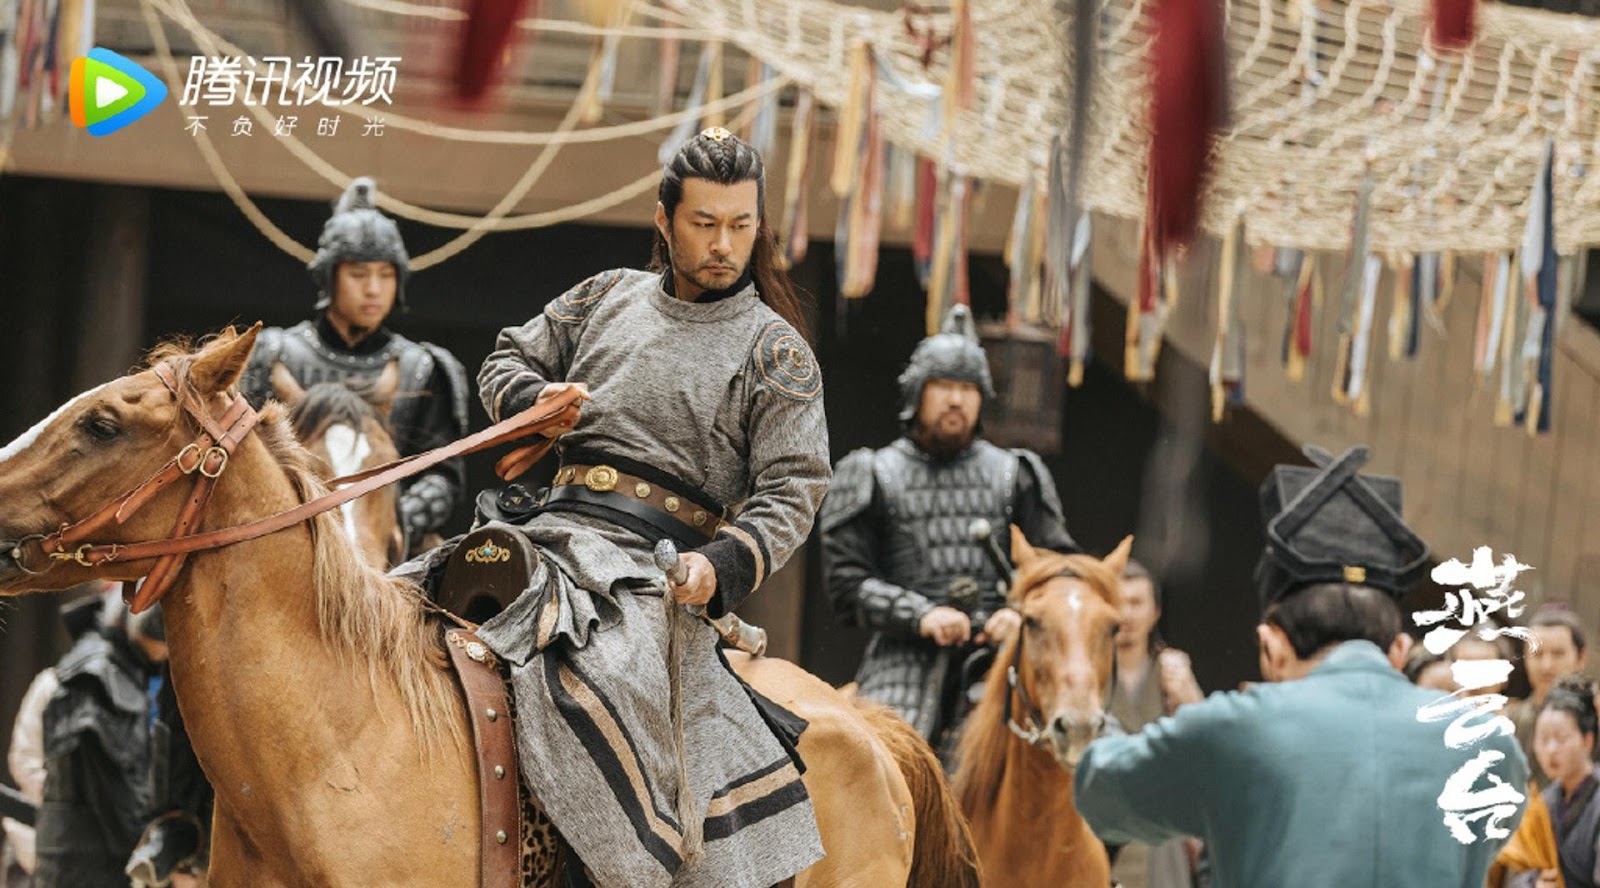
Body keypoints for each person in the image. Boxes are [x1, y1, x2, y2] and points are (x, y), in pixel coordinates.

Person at [425, 127, 828, 888]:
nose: (723, 245)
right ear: (664, 220)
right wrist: (536, 398)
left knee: (601, 675)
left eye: (741, 225)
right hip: (546, 529)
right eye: (704, 223)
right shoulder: (606, 295)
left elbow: (795, 486)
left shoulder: (775, 352)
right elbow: (506, 357)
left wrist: (720, 567)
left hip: (655, 573)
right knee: (408, 604)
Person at [1074, 444, 1529, 886]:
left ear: (1272, 648)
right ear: (1398, 650)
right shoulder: (1491, 747)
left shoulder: (1234, 729)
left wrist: (1076, 685)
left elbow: (1103, 790)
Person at [820, 303, 1077, 749]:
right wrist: (921, 615)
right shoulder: (872, 473)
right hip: (905, 658)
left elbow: (1060, 571)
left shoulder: (1017, 474)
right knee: (876, 760)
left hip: (1005, 658)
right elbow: (847, 584)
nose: (956, 400)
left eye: (967, 388)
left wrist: (1018, 614)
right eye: (942, 386)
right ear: (916, 393)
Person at [238, 176, 470, 554]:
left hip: (389, 549)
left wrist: (391, 522)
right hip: (281, 540)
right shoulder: (270, 353)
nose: (373, 289)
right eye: (359, 274)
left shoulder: (422, 367)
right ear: (329, 277)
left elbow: (441, 476)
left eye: (386, 275)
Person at [33, 593, 168, 888]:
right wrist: (155, 852)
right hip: (87, 863)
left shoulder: (110, 664)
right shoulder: (101, 678)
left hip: (81, 856)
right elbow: (114, 787)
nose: (163, 656)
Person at [1106, 560, 1204, 888]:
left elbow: (1208, 748)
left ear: (1156, 611)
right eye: (1118, 603)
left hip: (1163, 843)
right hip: (1104, 830)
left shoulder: (1172, 673)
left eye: (1136, 603)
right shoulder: (1088, 676)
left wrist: (1189, 696)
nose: (1126, 614)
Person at [1508, 676, 1600, 887]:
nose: (1551, 750)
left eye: (1561, 738)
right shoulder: (1544, 802)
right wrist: (1535, 883)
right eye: (1543, 739)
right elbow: (1517, 875)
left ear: (1588, 740)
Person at [1508, 606, 1593, 788]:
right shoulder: (1511, 720)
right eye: (1537, 654)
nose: (1546, 666)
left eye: (1558, 654)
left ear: (1581, 658)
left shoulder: (1594, 716)